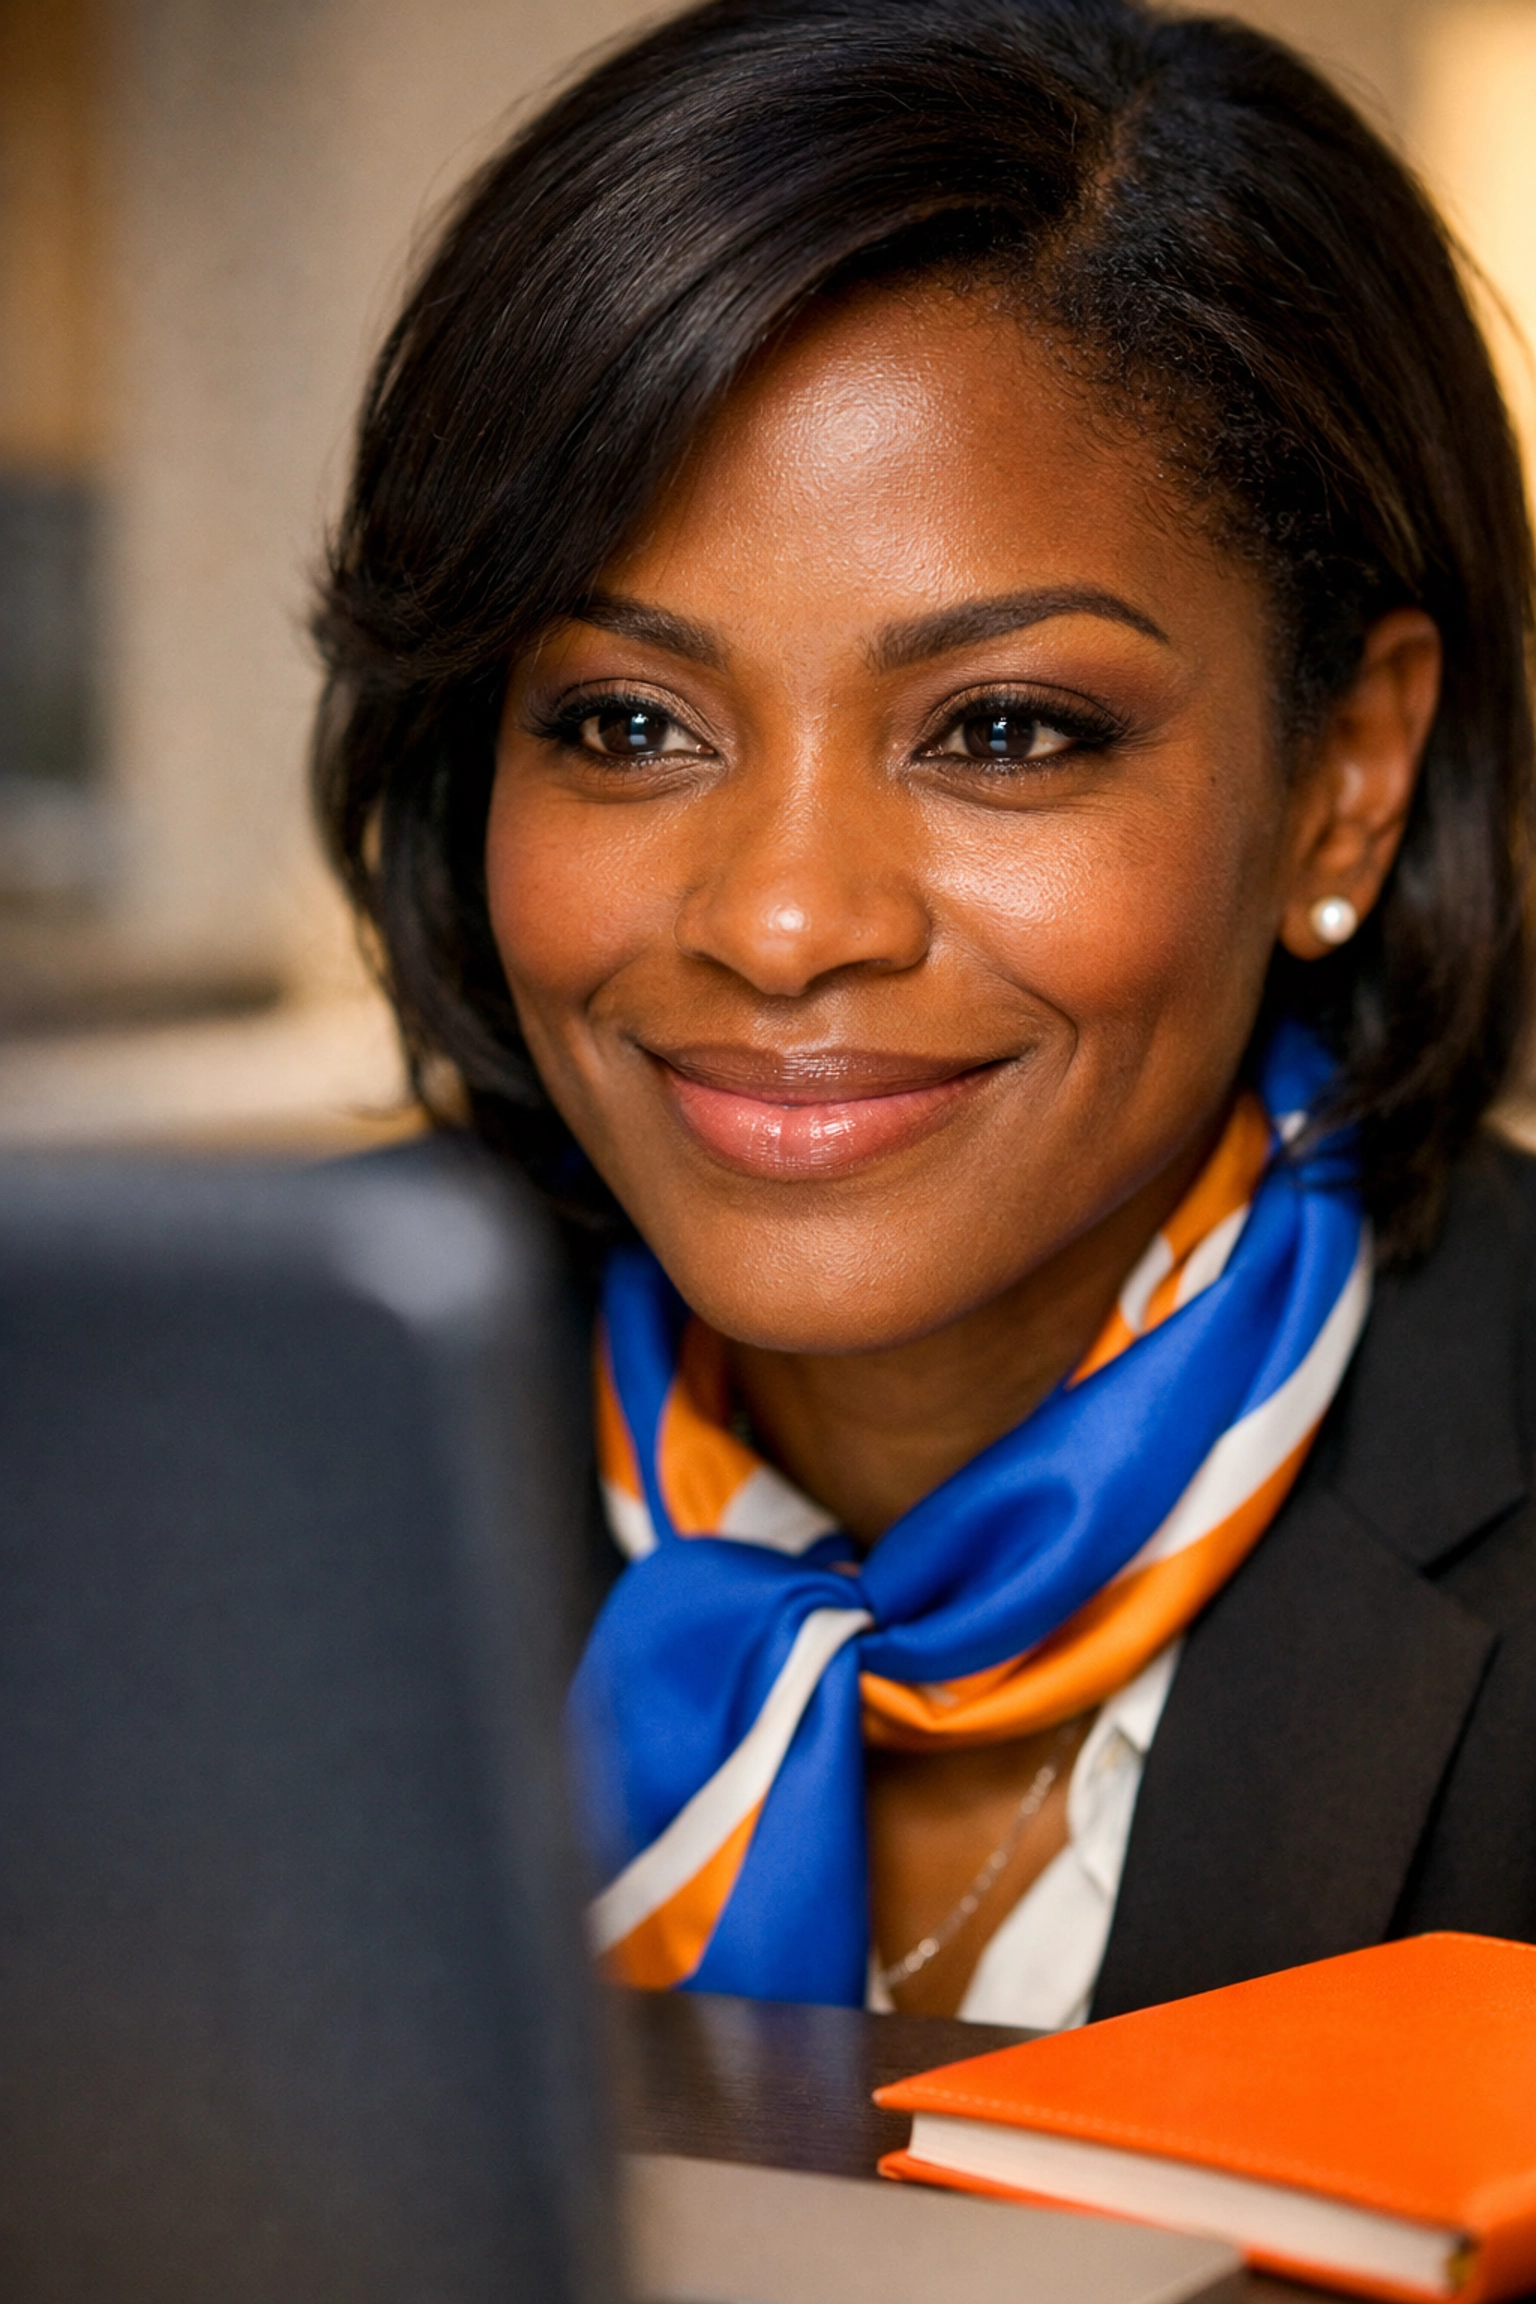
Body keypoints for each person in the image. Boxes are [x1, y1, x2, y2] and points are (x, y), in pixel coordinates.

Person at [311, 0, 1536, 2028]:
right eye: (627, 724)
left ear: (1347, 775)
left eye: (1005, 731)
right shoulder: (211, 1492)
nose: (785, 922)